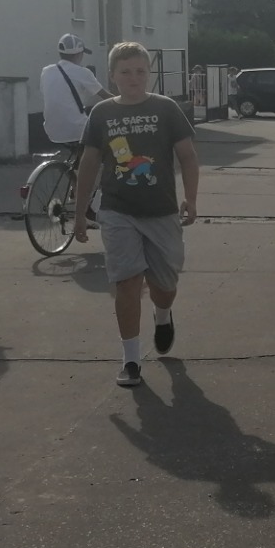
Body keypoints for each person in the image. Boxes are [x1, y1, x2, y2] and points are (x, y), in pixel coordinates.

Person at [71, 42, 200, 388]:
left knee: (164, 286)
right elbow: (89, 163)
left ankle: (163, 314)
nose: (133, 78)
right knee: (126, 282)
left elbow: (187, 156)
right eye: (125, 72)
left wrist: (190, 198)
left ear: (149, 74)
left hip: (162, 211)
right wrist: (80, 212)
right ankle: (131, 360)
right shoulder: (102, 114)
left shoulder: (166, 108)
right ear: (112, 75)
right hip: (118, 210)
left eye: (140, 71)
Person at [41, 34, 106, 147]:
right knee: (106, 136)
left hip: (52, 131)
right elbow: (104, 95)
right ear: (78, 54)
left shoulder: (46, 71)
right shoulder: (82, 72)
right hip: (77, 129)